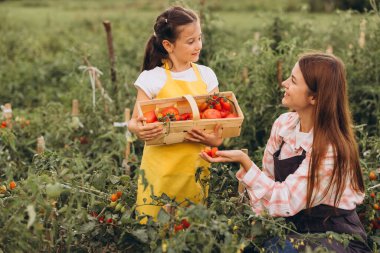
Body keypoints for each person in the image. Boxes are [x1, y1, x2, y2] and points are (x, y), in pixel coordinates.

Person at [200, 53, 371, 252]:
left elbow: (284, 200)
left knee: (276, 249)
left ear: (314, 97)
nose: (284, 83)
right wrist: (243, 221)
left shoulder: (329, 149)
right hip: (293, 230)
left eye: (293, 81)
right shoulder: (284, 125)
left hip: (336, 238)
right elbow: (267, 183)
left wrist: (246, 164)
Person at [128, 6, 223, 221]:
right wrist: (140, 131)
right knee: (155, 228)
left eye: (199, 38)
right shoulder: (152, 78)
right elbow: (134, 122)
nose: (198, 45)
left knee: (191, 230)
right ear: (168, 45)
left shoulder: (207, 76)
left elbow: (219, 125)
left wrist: (214, 139)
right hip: (160, 171)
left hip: (195, 169)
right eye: (190, 41)